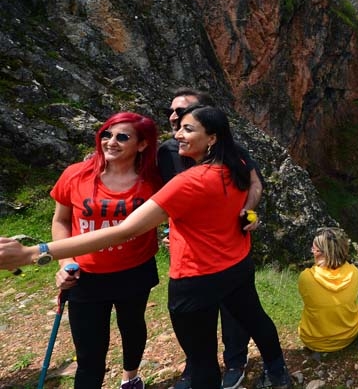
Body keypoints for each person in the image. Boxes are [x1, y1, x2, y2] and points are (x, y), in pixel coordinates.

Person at [0, 105, 292, 389]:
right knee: (254, 318)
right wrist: (246, 213)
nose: (177, 132)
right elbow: (251, 187)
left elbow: (124, 230)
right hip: (236, 265)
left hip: (195, 278)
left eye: (188, 128)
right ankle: (277, 369)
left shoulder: (188, 182)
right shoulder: (234, 164)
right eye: (177, 125)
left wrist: (31, 253)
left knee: (202, 359)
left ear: (212, 138)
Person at [158, 88, 263, 389]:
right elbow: (158, 197)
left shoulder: (230, 153)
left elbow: (255, 185)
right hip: (190, 257)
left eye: (185, 113)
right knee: (196, 323)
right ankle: (196, 366)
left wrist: (247, 213)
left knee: (235, 312)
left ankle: (235, 362)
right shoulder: (166, 152)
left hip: (228, 249)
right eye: (173, 111)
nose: (175, 117)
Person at [51, 112, 162, 389]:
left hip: (135, 270)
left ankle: (131, 377)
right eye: (106, 135)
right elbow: (61, 220)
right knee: (89, 353)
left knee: (132, 326)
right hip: (84, 275)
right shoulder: (75, 174)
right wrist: (64, 262)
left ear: (142, 144)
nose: (111, 142)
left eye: (122, 137)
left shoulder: (153, 181)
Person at [298, 227, 358, 352]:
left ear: (321, 253)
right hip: (350, 334)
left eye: (314, 248)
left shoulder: (306, 277)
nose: (312, 251)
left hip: (314, 341)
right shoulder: (354, 272)